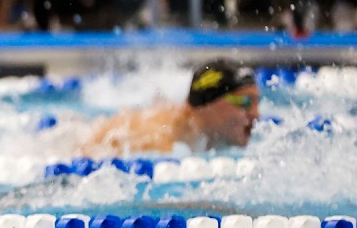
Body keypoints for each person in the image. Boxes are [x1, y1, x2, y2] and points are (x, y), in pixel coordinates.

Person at [77, 61, 260, 157]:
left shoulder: (200, 134)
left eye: (257, 103)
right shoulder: (158, 140)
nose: (255, 114)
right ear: (208, 103)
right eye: (244, 102)